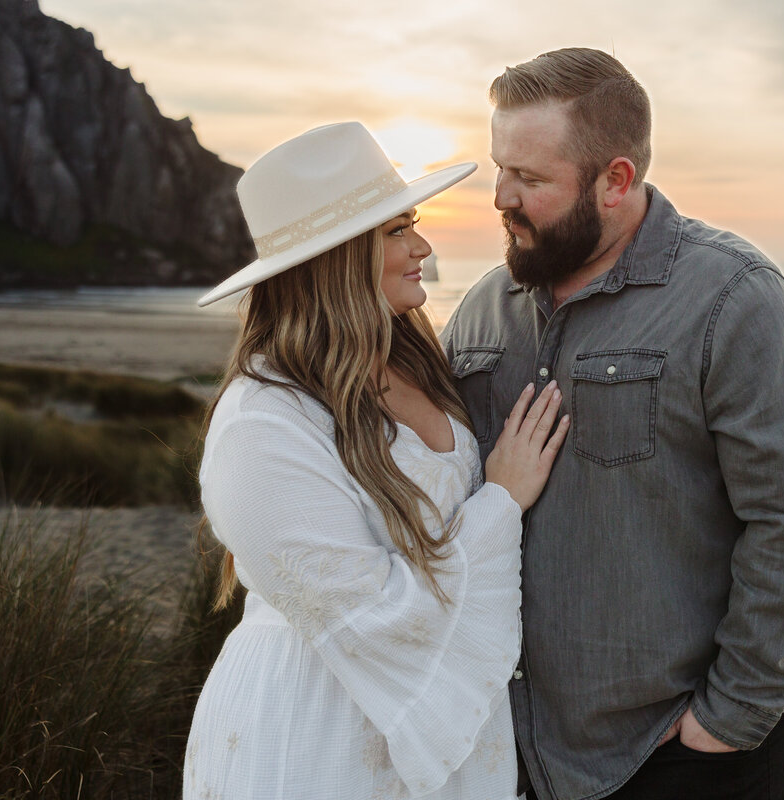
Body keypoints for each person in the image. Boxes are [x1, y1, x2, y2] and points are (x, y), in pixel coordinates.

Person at [442, 48, 784, 800]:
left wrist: (729, 717)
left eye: (529, 178)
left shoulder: (735, 298)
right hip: (507, 750)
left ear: (615, 181)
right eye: (500, 168)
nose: (500, 195)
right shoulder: (481, 309)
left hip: (677, 753)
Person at [184, 122, 569, 800]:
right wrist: (502, 501)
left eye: (411, 223)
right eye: (394, 232)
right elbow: (368, 617)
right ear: (335, 258)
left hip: (445, 729)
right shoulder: (263, 422)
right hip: (316, 731)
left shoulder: (418, 361)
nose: (422, 246)